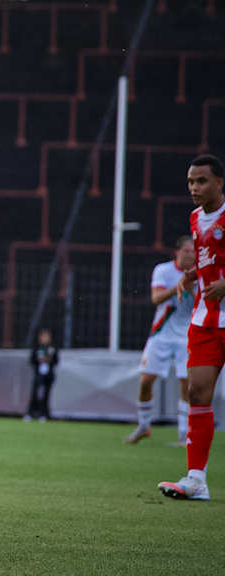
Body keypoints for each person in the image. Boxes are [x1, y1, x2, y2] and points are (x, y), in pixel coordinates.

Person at [159, 154, 225, 501]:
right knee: (197, 392)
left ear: (219, 182)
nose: (194, 188)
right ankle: (196, 479)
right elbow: (205, 260)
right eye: (190, 182)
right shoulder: (196, 218)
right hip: (205, 320)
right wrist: (191, 276)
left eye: (201, 181)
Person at [124, 236, 195, 445]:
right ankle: (144, 425)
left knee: (187, 383)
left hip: (187, 334)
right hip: (161, 333)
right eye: (187, 251)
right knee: (146, 381)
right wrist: (179, 286)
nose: (190, 255)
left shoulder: (200, 275)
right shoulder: (163, 270)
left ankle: (184, 433)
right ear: (177, 252)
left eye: (193, 251)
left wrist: (191, 288)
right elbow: (156, 298)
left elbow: (201, 304)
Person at [27, 329, 58, 421]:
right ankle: (31, 413)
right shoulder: (37, 348)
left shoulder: (52, 349)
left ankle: (44, 414)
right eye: (43, 337)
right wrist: (39, 361)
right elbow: (31, 360)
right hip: (38, 374)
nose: (44, 339)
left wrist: (49, 360)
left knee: (46, 395)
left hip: (48, 375)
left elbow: (56, 361)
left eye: (46, 337)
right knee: (35, 394)